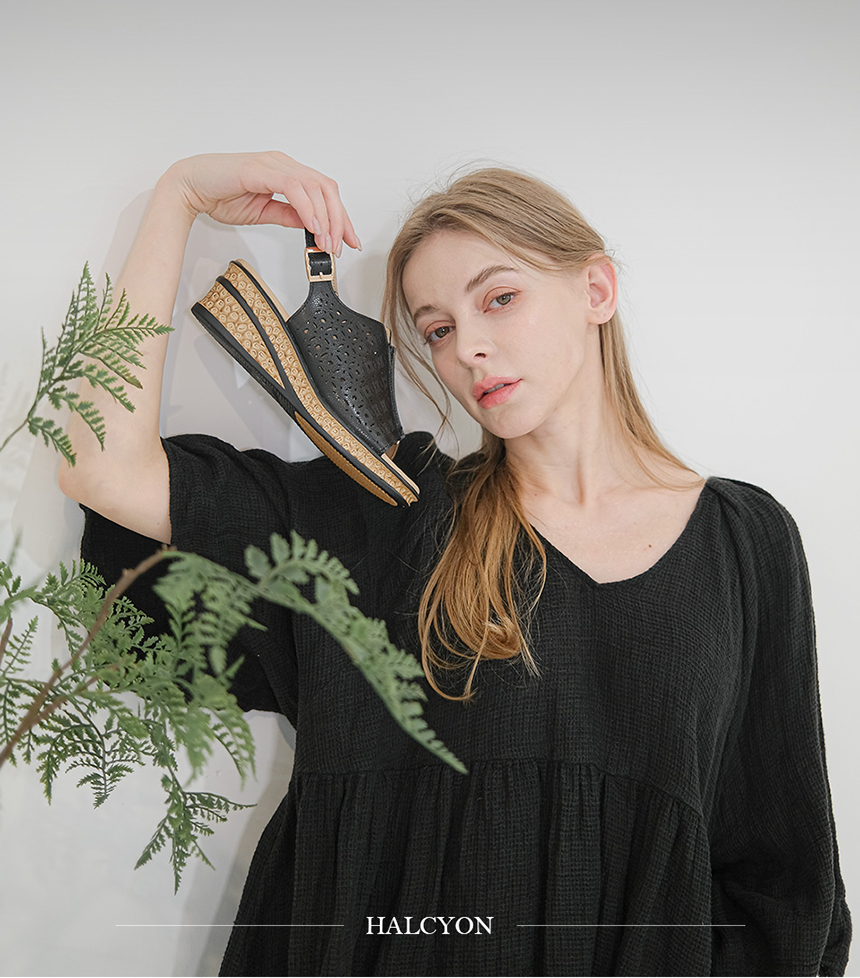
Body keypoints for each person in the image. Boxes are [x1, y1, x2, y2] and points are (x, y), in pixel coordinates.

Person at [60, 151, 852, 977]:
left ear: (596, 290)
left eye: (499, 298)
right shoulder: (394, 516)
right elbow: (101, 467)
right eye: (437, 329)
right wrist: (179, 196)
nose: (469, 347)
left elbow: (782, 876)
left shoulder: (744, 544)